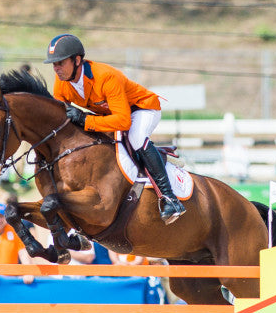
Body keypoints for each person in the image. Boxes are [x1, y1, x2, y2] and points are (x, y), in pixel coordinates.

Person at [43, 33, 184, 223]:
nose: (56, 68)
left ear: (77, 60)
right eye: (54, 64)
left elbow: (124, 122)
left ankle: (170, 198)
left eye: (60, 62)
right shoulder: (61, 82)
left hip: (142, 109)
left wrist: (86, 121)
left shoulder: (106, 76)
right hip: (111, 114)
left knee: (135, 138)